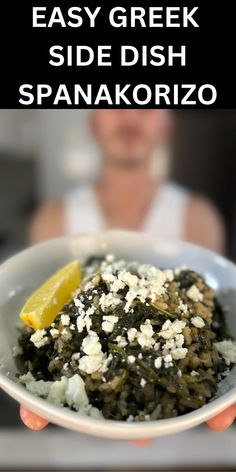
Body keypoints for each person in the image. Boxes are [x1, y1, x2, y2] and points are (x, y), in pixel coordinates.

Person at [22, 109, 236, 434]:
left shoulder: (198, 217)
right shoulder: (52, 220)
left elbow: (214, 317)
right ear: (94, 121)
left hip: (175, 439)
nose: (130, 114)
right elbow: (37, 316)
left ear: (166, 124)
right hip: (70, 438)